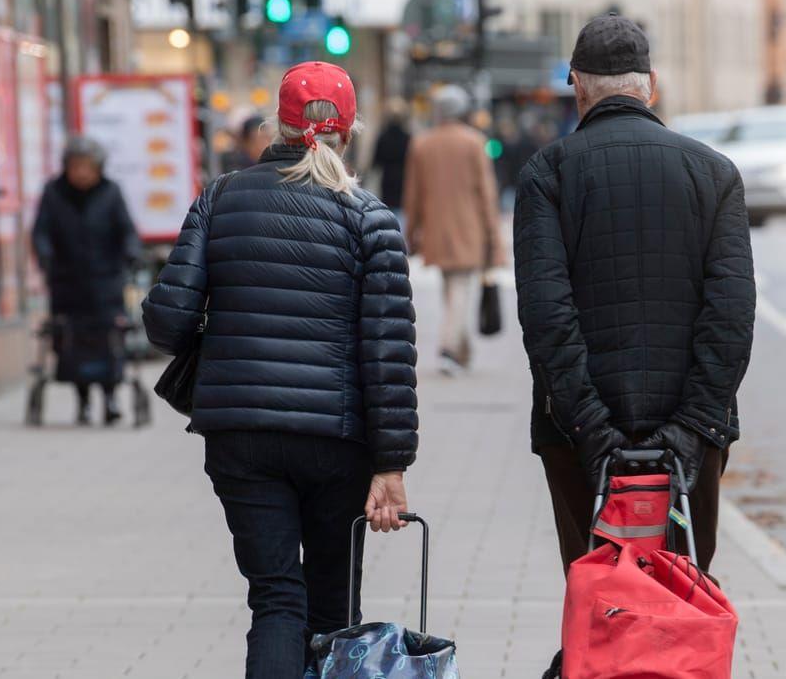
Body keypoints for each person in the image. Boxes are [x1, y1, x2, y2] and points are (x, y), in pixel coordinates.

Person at [141, 61, 418, 679]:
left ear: (277, 124)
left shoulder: (221, 197)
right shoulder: (370, 219)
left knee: (275, 598)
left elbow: (167, 321)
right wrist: (391, 465)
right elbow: (388, 352)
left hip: (241, 435)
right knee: (330, 606)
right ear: (349, 132)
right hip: (338, 441)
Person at [515, 14, 755, 576]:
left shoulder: (547, 175)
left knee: (599, 600)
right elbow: (731, 317)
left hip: (577, 437)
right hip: (691, 435)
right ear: (651, 85)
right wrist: (693, 431)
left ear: (576, 84)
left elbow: (547, 318)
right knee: (682, 593)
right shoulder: (715, 174)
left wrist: (592, 432)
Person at [31, 136, 140, 426]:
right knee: (71, 344)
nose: (81, 173)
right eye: (76, 166)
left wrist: (130, 251)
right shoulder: (53, 193)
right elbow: (40, 231)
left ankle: (111, 398)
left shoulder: (111, 192)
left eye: (87, 167)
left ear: (98, 169)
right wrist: (44, 254)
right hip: (67, 284)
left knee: (109, 342)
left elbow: (127, 230)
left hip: (105, 284)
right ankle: (83, 402)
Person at [402, 85, 505, 375]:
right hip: (469, 229)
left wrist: (411, 234)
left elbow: (413, 196)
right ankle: (449, 350)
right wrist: (493, 239)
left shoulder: (421, 144)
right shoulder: (474, 142)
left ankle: (462, 350)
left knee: (452, 287)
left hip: (435, 229)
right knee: (459, 288)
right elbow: (487, 194)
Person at [369, 98, 411, 214]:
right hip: (404, 180)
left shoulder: (383, 137)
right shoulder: (408, 138)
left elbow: (375, 162)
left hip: (387, 180)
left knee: (389, 211)